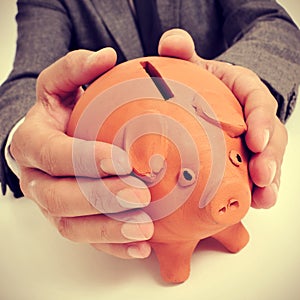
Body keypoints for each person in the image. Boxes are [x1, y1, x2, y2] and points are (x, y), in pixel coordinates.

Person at [0, 0, 299, 260]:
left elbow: (271, 22)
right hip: (121, 165)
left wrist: (237, 95)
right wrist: (25, 140)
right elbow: (25, 78)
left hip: (213, 115)